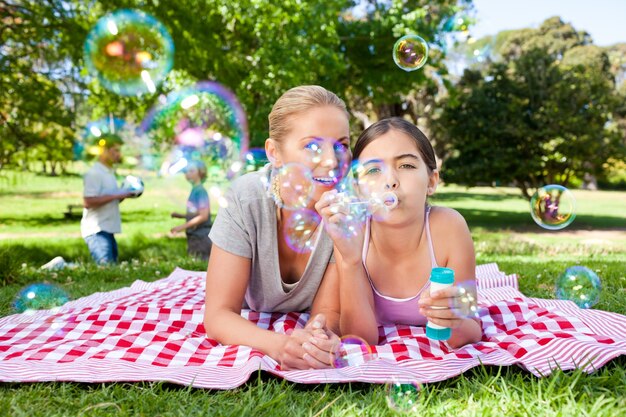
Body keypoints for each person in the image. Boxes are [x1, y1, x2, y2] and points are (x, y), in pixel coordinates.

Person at [204, 85, 351, 370]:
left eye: (341, 145)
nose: (332, 161)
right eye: (312, 146)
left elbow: (327, 314)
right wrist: (280, 346)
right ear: (275, 153)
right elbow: (219, 315)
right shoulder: (246, 199)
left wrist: (317, 340)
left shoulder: (345, 210)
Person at [316, 117, 482, 348]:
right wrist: (351, 261)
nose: (391, 181)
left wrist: (453, 320)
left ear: (432, 181)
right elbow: (361, 338)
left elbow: (471, 332)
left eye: (406, 166)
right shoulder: (355, 231)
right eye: (373, 170)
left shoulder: (449, 228)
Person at [81, 133, 135, 264]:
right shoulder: (95, 173)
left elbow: (110, 199)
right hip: (97, 231)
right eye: (115, 150)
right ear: (104, 150)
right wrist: (117, 195)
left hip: (108, 229)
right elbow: (88, 201)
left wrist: (125, 194)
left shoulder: (109, 173)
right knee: (106, 271)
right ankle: (59, 266)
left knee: (112, 269)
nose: (118, 154)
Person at [170, 160, 213, 260]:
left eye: (191, 171)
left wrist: (181, 227)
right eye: (186, 171)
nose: (187, 173)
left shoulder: (200, 191)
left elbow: (203, 216)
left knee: (201, 265)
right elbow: (196, 212)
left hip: (201, 237)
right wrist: (181, 215)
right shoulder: (195, 189)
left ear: (200, 173)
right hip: (195, 235)